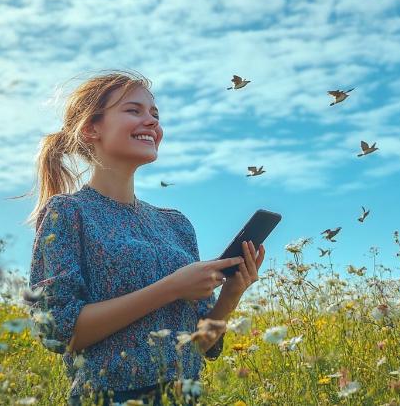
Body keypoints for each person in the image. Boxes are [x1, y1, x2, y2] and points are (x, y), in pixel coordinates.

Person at [25, 70, 265, 405]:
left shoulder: (176, 224)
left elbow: (199, 343)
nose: (151, 122)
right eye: (134, 110)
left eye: (155, 114)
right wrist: (173, 287)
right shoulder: (68, 212)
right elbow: (58, 332)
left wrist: (232, 293)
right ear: (91, 128)